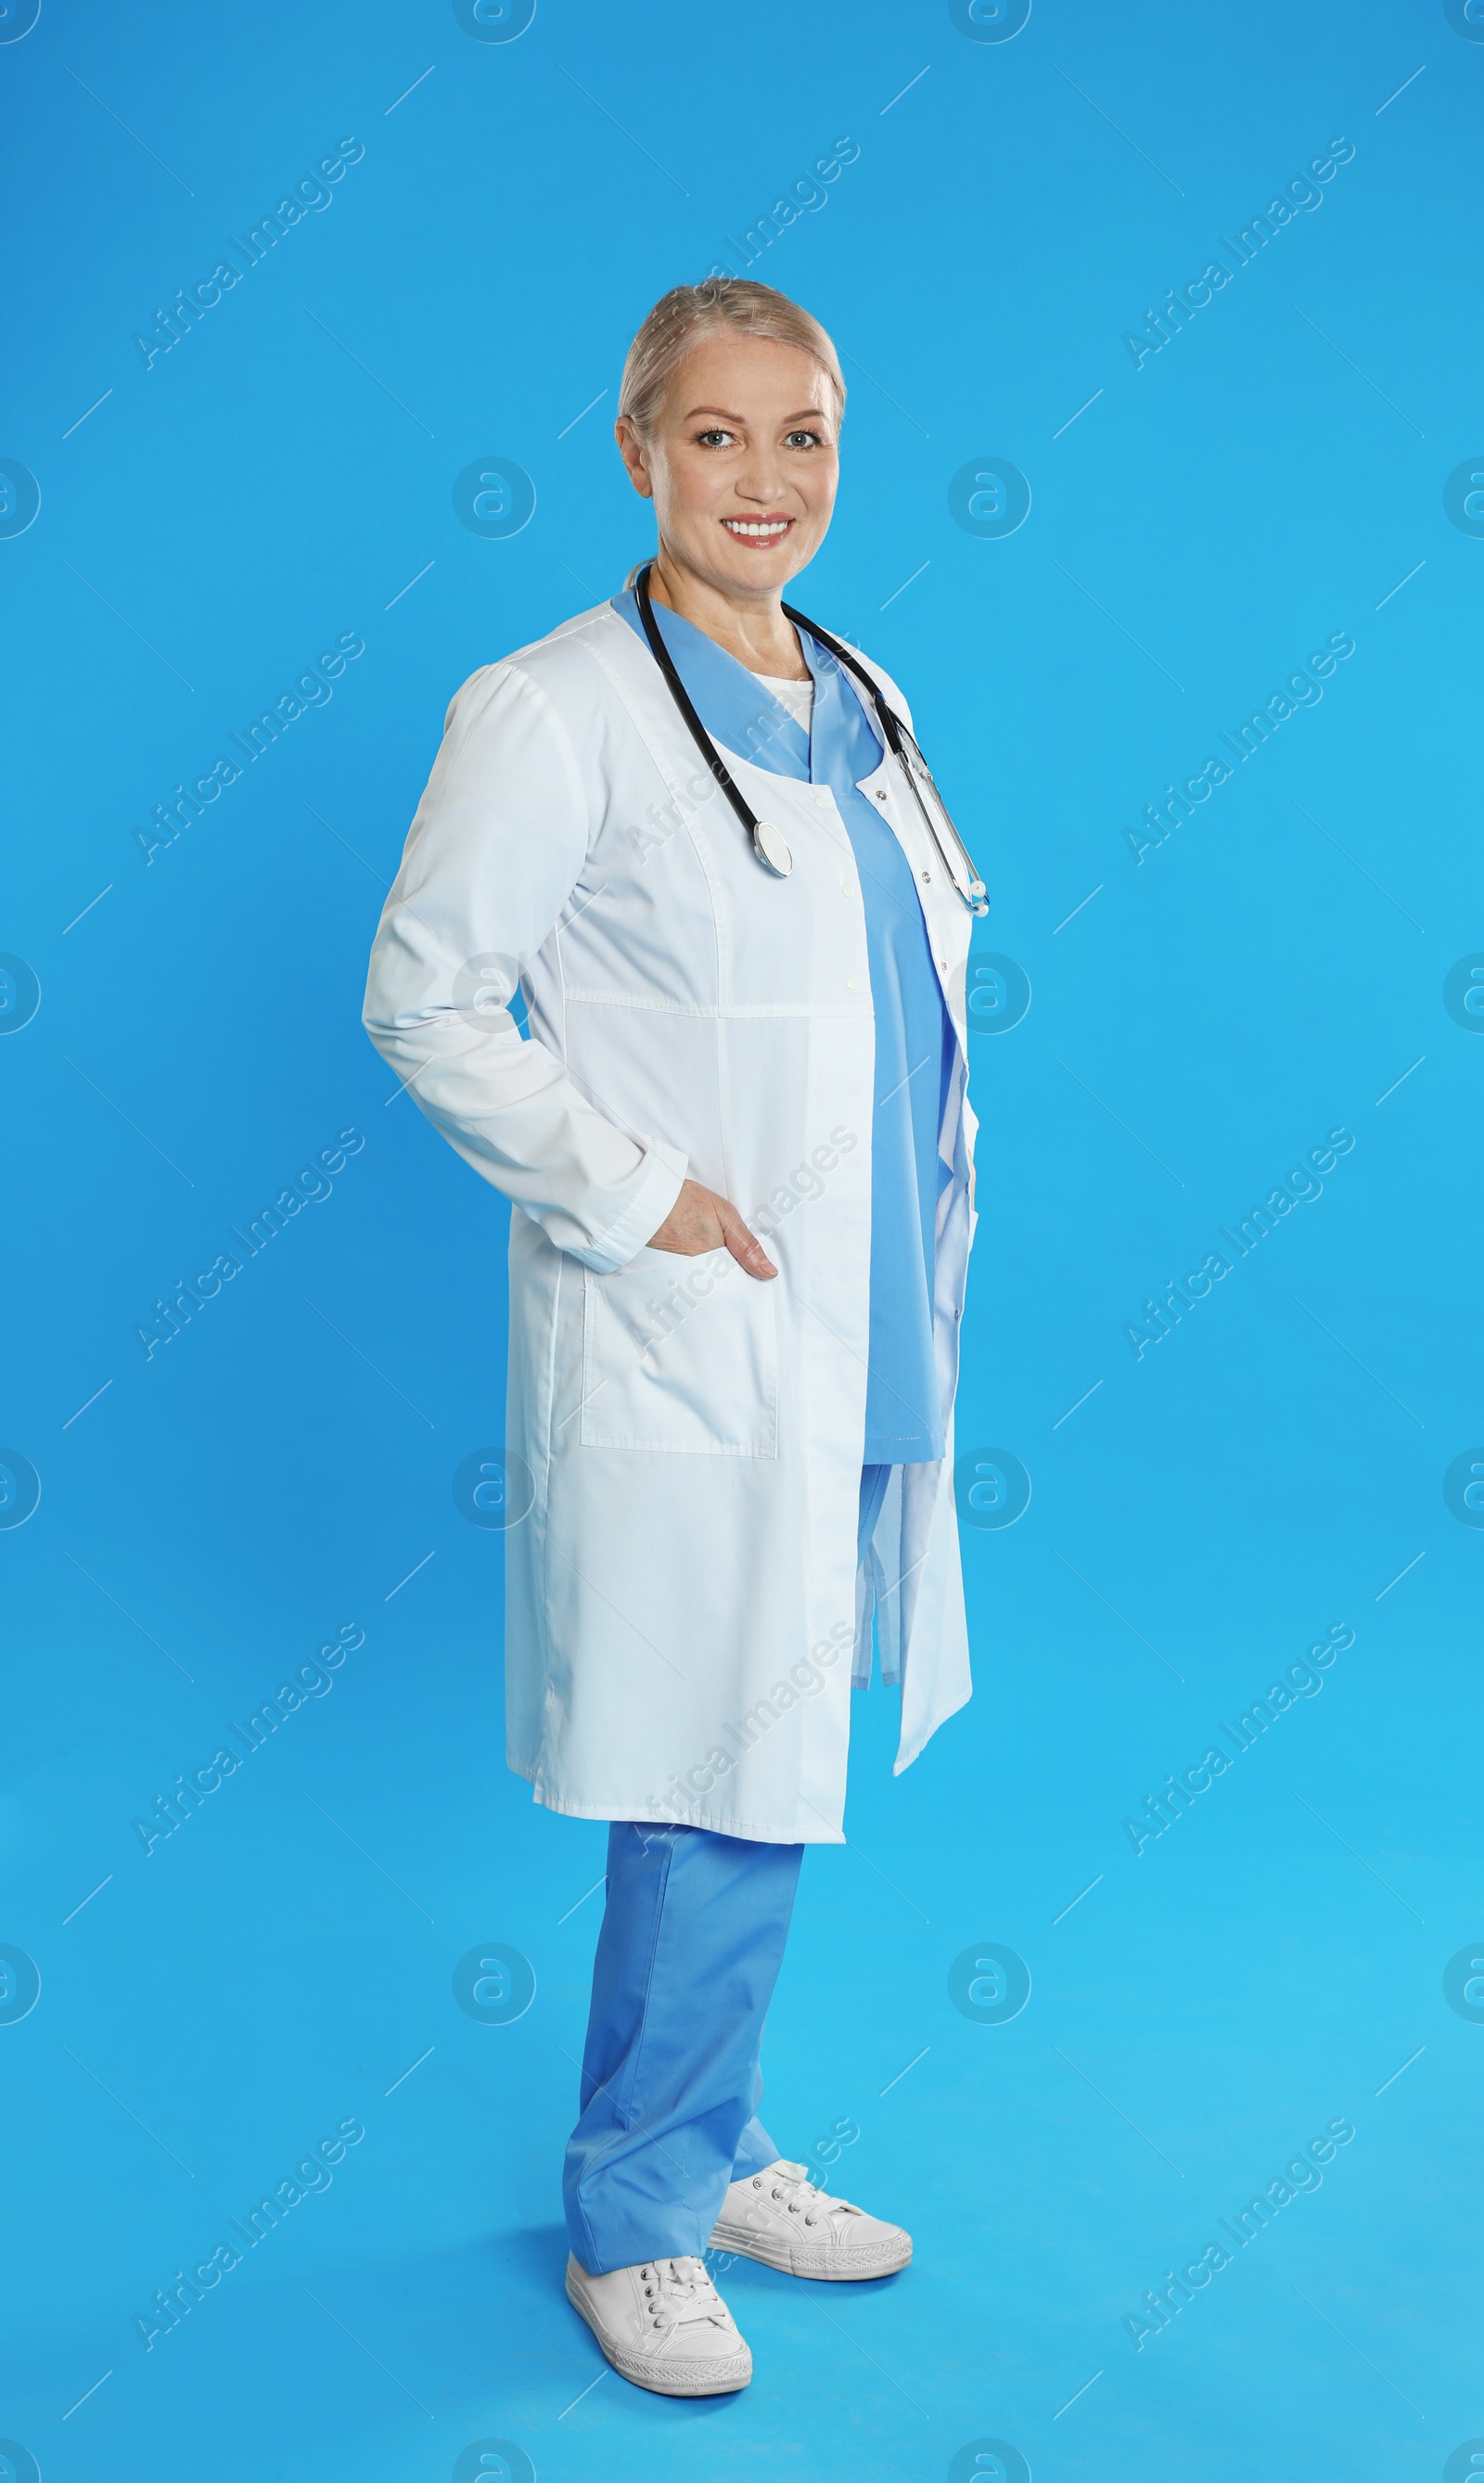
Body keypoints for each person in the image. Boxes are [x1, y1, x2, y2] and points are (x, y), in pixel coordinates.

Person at [362, 277, 983, 2399]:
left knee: (764, 1761)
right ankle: (630, 2207)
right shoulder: (553, 706)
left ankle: (700, 2141)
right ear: (635, 447)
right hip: (699, 1314)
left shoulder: (864, 691)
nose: (762, 479)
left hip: (856, 1312)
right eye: (714, 436)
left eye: (799, 435)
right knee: (718, 1769)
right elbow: (426, 995)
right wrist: (638, 1195)